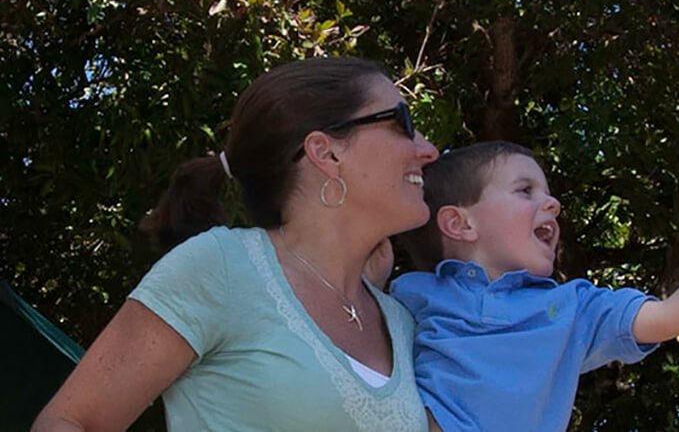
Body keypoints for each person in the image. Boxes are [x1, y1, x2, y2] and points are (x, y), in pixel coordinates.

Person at [34, 57, 443, 432]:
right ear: (326, 152)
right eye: (402, 122)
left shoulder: (402, 321)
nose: (429, 150)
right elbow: (70, 421)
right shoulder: (222, 268)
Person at [389, 141, 679, 432]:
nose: (553, 204)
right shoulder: (406, 294)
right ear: (460, 224)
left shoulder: (574, 308)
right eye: (525, 190)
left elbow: (674, 315)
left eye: (548, 194)